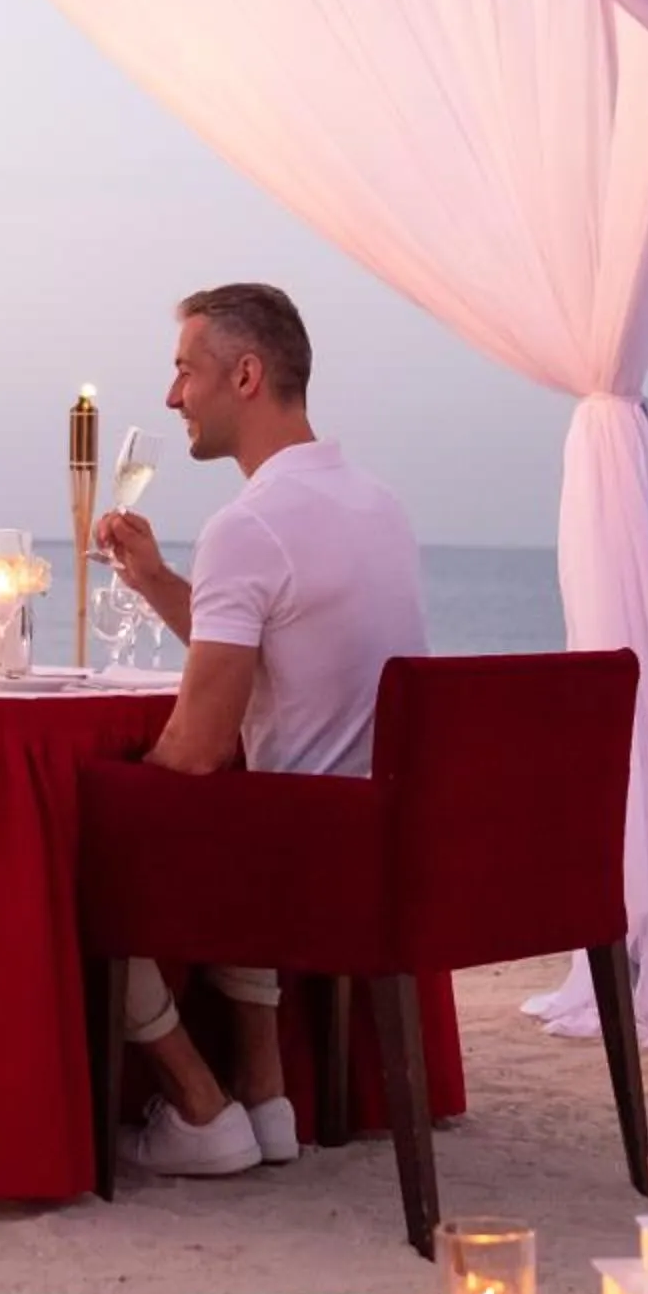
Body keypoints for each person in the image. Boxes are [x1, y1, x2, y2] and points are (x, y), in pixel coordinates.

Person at [94, 283, 426, 1176]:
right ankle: (268, 1095)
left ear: (245, 375)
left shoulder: (250, 524)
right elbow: (270, 642)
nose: (171, 397)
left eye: (183, 372)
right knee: (241, 796)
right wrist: (159, 581)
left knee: (64, 838)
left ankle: (200, 1107)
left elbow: (197, 748)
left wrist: (110, 792)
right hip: (382, 849)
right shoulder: (377, 505)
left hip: (298, 873)